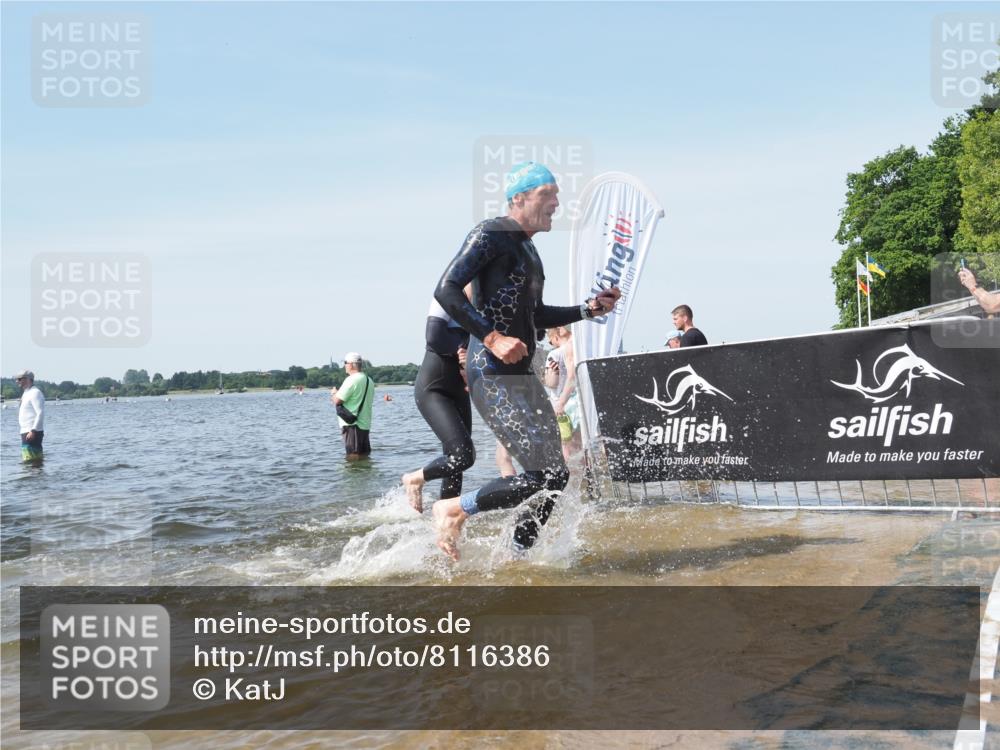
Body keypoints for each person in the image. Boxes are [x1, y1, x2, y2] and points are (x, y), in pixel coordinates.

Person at [430, 161, 620, 560]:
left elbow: (535, 315)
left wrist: (588, 309)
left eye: (557, 195)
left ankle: (518, 555)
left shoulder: (529, 250)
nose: (556, 203)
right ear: (518, 198)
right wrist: (492, 337)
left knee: (556, 476)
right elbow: (446, 289)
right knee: (541, 474)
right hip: (491, 372)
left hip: (520, 374)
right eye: (547, 194)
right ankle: (453, 509)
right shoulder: (491, 233)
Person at [401, 299, 476, 512]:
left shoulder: (484, 305)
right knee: (463, 455)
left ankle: (445, 517)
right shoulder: (447, 294)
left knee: (456, 465)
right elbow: (434, 337)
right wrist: (462, 345)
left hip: (459, 389)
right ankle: (414, 479)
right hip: (433, 389)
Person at [543, 327, 582, 463]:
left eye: (550, 342)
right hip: (580, 403)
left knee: (565, 446)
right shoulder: (580, 348)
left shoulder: (554, 354)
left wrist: (560, 403)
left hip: (564, 404)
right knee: (580, 446)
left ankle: (570, 475)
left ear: (555, 337)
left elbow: (552, 383)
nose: (552, 344)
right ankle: (586, 474)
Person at [331, 353, 375, 460]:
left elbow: (337, 400)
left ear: (351, 364)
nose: (344, 366)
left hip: (353, 425)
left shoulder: (351, 379)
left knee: (353, 457)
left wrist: (334, 393)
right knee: (364, 456)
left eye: (345, 363)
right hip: (365, 425)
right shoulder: (369, 380)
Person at [15, 370, 45, 463]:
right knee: (29, 461)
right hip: (26, 431)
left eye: (19, 379)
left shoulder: (35, 393)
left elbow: (40, 413)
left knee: (32, 462)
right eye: (17, 379)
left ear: (28, 379)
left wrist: (33, 431)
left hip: (32, 432)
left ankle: (38, 472)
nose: (17, 381)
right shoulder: (26, 392)